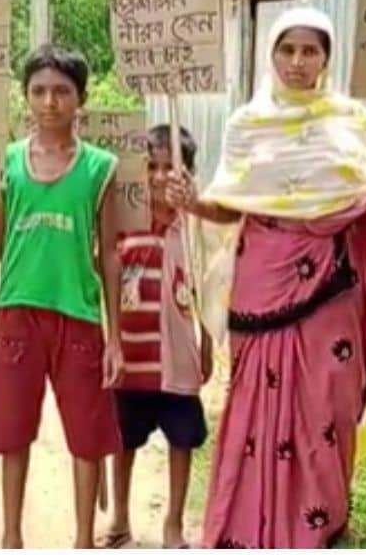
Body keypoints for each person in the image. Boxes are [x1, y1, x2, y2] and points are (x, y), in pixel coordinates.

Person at [174, 6, 366, 548]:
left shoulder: (351, 121)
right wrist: (192, 203)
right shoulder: (247, 124)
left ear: (326, 58)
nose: (297, 61)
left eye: (310, 50)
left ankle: (318, 527)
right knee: (251, 409)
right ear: (271, 54)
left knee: (324, 406)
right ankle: (248, 531)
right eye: (287, 49)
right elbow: (230, 206)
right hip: (260, 288)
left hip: (330, 290)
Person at [0, 44, 126, 549]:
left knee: (87, 439)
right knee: (13, 433)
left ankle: (83, 540)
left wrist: (117, 339)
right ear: (25, 98)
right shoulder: (8, 164)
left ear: (80, 99)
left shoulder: (101, 168)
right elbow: (2, 247)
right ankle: (12, 538)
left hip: (80, 318)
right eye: (39, 91)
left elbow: (109, 254)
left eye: (61, 92)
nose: (49, 102)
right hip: (16, 317)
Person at [97, 124, 213, 550]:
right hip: (130, 357)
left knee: (183, 441)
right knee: (123, 441)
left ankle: (174, 525)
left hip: (179, 360)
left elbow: (205, 291)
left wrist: (207, 342)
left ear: (190, 174)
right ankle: (120, 519)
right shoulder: (124, 223)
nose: (161, 176)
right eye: (152, 166)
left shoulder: (195, 229)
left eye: (172, 167)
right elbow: (101, 272)